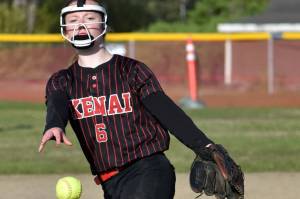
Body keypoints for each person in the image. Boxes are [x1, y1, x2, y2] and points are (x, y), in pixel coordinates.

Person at [38, 0, 240, 198]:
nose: (80, 24)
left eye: (90, 17)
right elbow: (57, 104)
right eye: (73, 19)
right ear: (65, 29)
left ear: (104, 25)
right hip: (109, 183)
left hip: (148, 171)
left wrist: (203, 146)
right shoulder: (62, 80)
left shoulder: (131, 70)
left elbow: (167, 111)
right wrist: (54, 124)